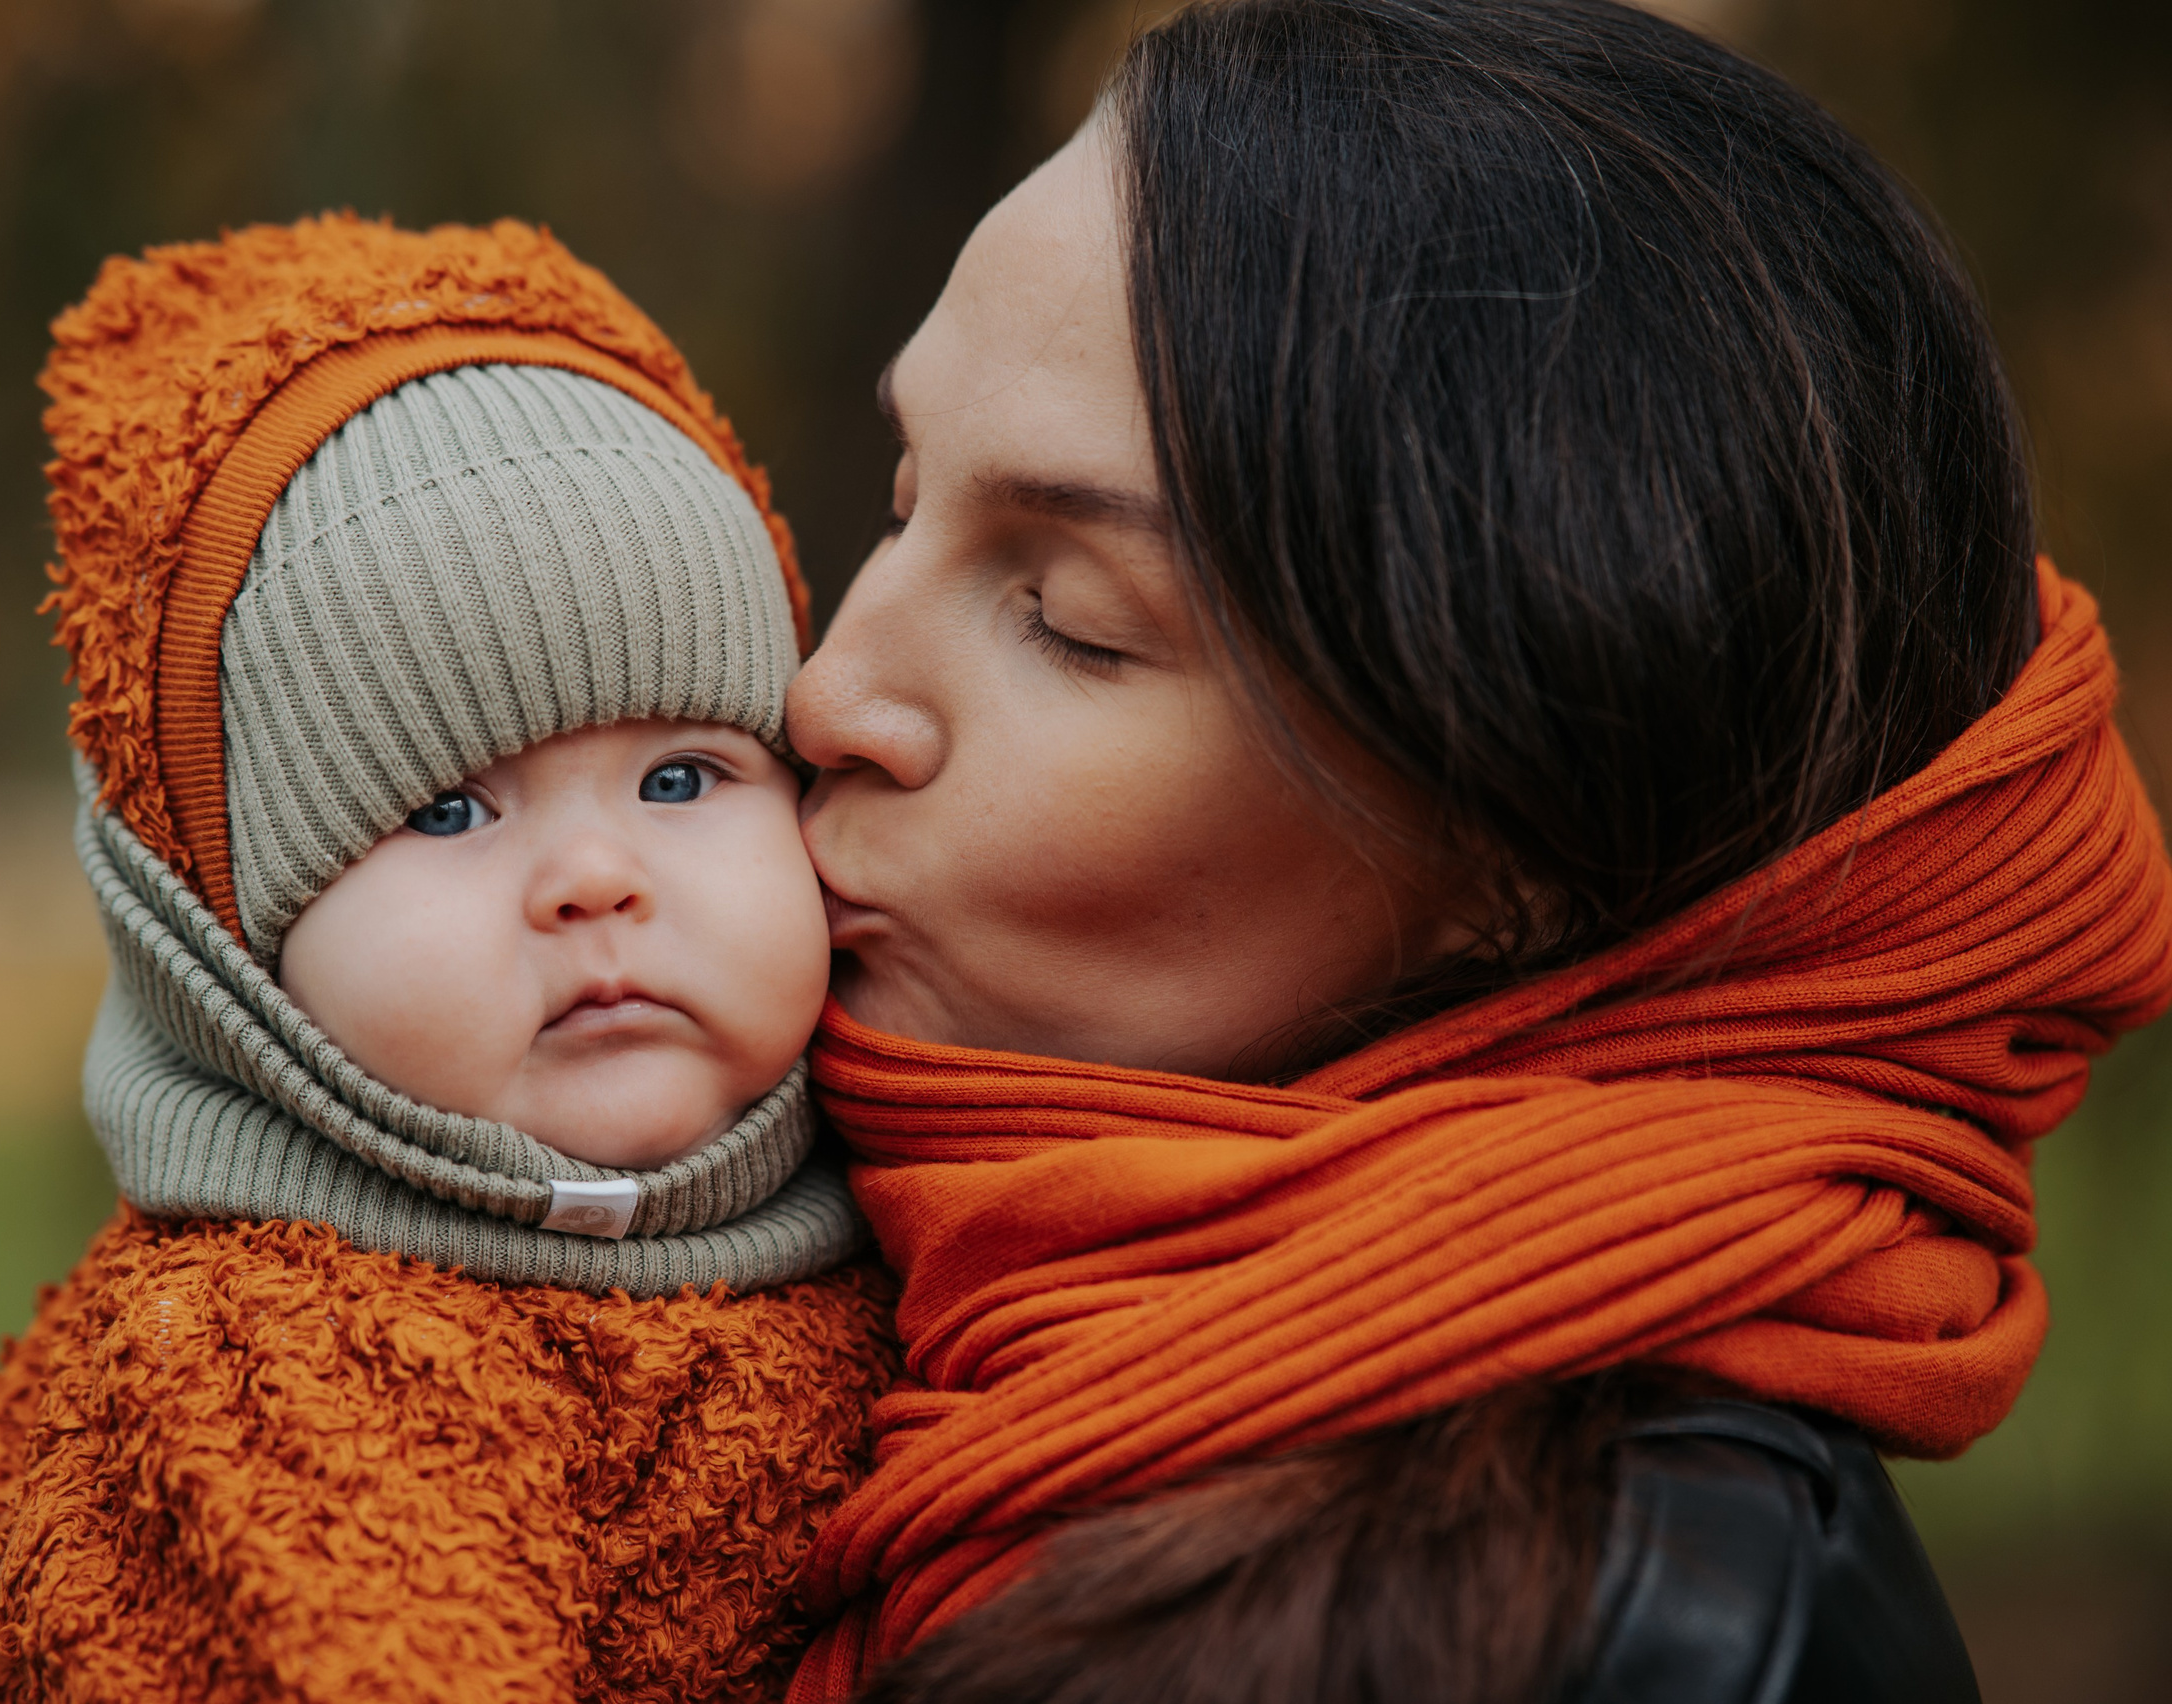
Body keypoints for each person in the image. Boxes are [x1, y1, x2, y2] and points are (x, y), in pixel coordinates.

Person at [778, 2, 2172, 1700]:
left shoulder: (1631, 1644)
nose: (830, 691)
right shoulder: (777, 1286)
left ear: (1517, 852)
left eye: (1070, 622)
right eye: (907, 493)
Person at [0, 214, 897, 1703]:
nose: (592, 880)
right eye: (448, 810)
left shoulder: (921, 1189)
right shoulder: (274, 1373)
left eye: (684, 778)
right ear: (229, 947)